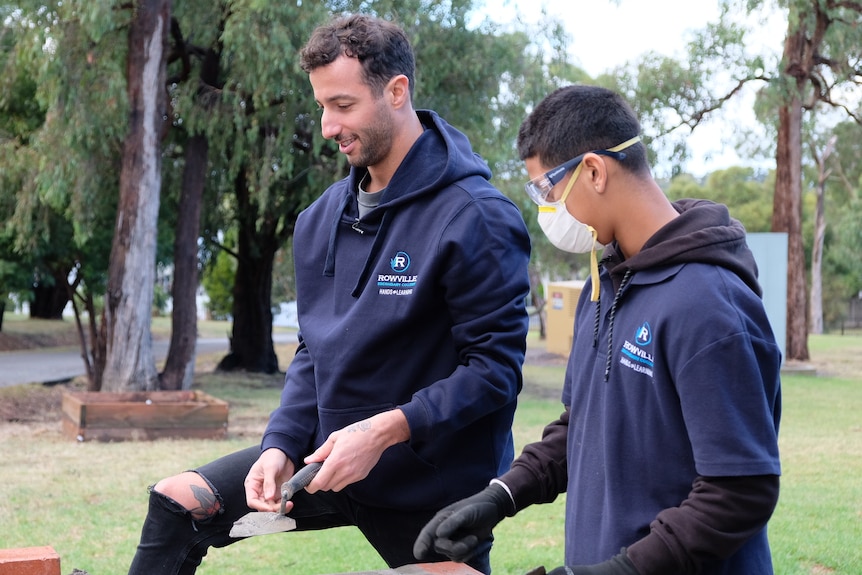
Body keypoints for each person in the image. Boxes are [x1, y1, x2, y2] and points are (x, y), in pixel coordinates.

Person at [128, 14, 531, 575]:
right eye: (321, 106)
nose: (326, 125)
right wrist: (280, 444)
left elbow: (494, 372)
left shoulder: (478, 216)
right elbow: (314, 351)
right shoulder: (319, 220)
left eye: (342, 105)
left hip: (428, 486)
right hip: (324, 465)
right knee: (177, 503)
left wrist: (385, 430)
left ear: (396, 91)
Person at [414, 84, 782, 575]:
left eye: (546, 190)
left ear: (593, 170)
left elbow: (740, 490)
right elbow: (581, 426)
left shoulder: (709, 304)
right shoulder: (606, 282)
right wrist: (502, 495)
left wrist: (622, 571)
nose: (546, 210)